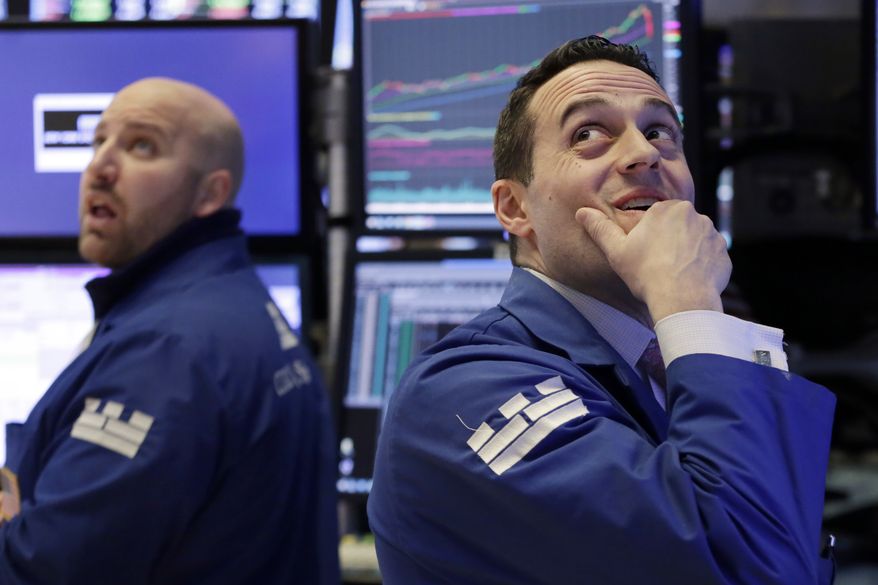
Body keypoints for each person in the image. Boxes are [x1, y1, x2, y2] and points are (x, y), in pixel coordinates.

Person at [368, 36, 836, 584]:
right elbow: (740, 570)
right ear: (514, 207)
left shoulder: (674, 361)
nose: (644, 152)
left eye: (661, 131)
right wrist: (690, 303)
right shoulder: (459, 394)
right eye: (588, 134)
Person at [0, 78, 340, 585]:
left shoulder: (166, 352)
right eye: (98, 142)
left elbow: (42, 572)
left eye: (142, 146)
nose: (100, 168)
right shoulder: (233, 302)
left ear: (210, 193)